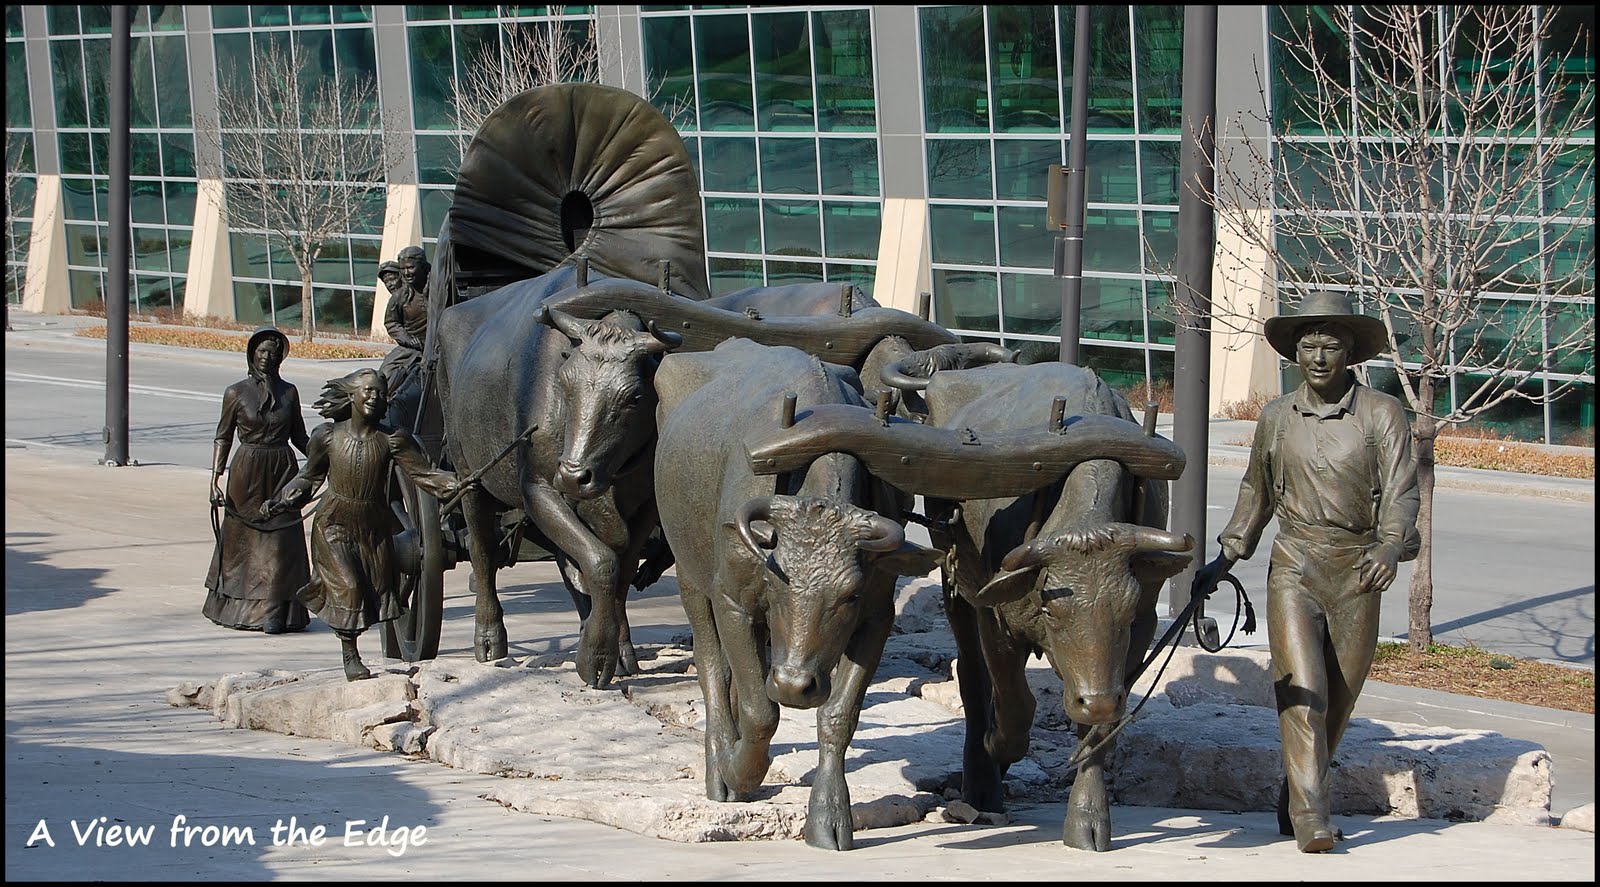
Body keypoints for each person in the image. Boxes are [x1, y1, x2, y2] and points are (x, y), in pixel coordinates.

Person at [1194, 291, 1420, 854]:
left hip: (1358, 568)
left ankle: (1296, 793)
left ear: (1351, 354)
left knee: (1340, 699)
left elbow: (1401, 492)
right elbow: (1257, 490)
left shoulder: (1381, 413)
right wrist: (1226, 556)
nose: (1319, 357)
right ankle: (1312, 815)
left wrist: (1391, 547)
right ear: (1295, 352)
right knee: (1304, 692)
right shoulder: (1275, 418)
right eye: (1309, 346)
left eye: (1332, 346)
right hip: (1295, 563)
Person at [261, 368, 463, 681]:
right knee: (350, 586)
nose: (374, 397)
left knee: (374, 589)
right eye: (367, 391)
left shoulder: (392, 439)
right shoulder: (327, 436)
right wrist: (287, 497)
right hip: (334, 523)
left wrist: (454, 484)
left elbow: (423, 474)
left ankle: (351, 646)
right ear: (351, 396)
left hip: (374, 528)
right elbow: (310, 476)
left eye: (380, 393)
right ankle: (350, 653)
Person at [203, 326, 312, 634]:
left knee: (281, 543)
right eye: (262, 351)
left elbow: (299, 436)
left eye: (274, 352)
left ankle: (278, 610)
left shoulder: (289, 392)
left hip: (281, 470)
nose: (267, 356)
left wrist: (323, 455)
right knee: (242, 545)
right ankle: (234, 607)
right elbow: (222, 437)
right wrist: (215, 479)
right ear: (252, 353)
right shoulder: (236, 392)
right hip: (246, 472)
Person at [379, 247, 429, 400]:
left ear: (423, 267)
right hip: (412, 348)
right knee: (384, 376)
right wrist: (408, 339)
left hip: (439, 344)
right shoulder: (399, 296)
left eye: (410, 267)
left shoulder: (438, 289)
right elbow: (392, 322)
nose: (407, 273)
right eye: (403, 269)